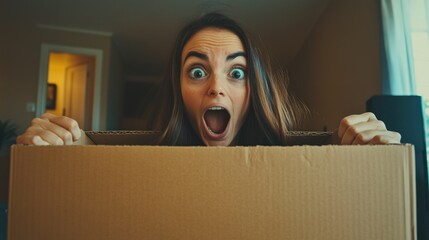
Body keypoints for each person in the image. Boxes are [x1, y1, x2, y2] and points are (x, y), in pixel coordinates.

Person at [16, 13, 401, 146]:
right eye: (197, 71)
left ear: (255, 93)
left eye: (237, 73)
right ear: (178, 91)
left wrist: (355, 146)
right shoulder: (138, 173)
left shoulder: (298, 168)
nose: (216, 87)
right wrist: (76, 149)